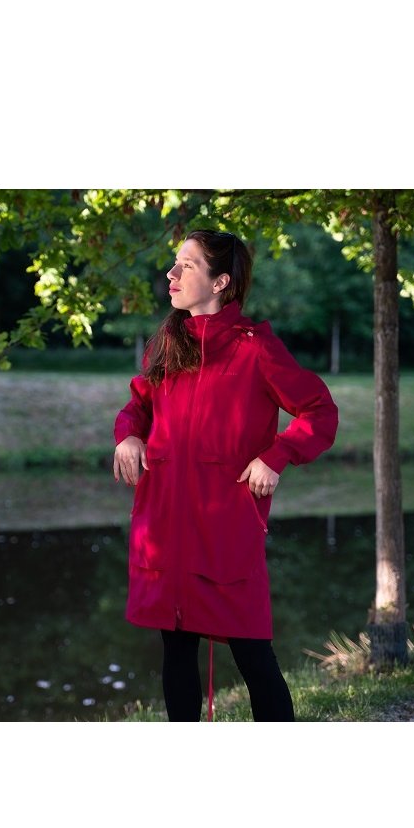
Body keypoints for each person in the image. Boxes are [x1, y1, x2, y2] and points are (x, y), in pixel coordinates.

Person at [112, 229, 339, 722]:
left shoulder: (256, 349)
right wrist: (128, 436)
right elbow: (138, 407)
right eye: (174, 263)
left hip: (225, 533)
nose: (171, 274)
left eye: (187, 265)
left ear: (220, 282)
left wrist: (277, 456)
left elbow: (319, 412)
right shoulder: (168, 344)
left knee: (254, 656)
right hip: (166, 528)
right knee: (176, 650)